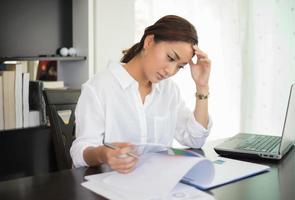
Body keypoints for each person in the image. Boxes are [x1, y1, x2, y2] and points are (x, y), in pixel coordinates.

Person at [70, 15, 212, 173]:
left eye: (180, 67)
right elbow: (79, 153)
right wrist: (103, 154)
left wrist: (202, 86)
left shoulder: (169, 90)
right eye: (170, 58)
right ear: (149, 41)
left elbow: (195, 139)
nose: (171, 71)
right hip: (113, 186)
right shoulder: (99, 87)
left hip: (158, 186)